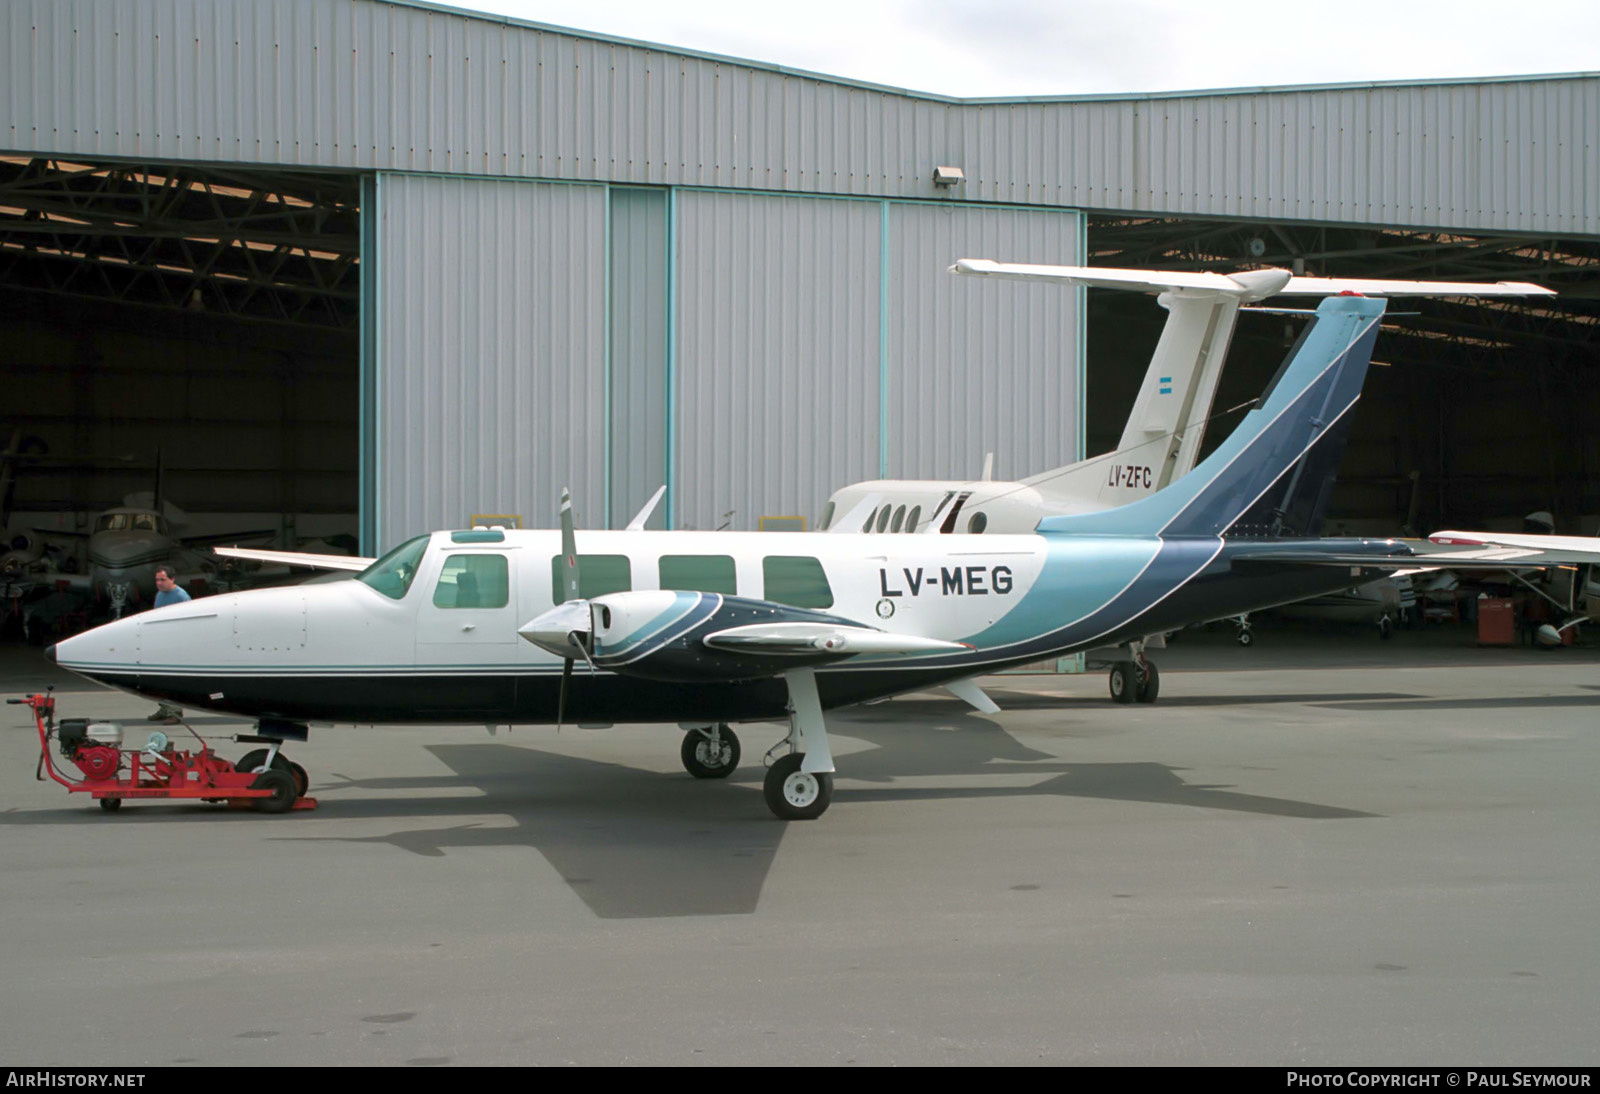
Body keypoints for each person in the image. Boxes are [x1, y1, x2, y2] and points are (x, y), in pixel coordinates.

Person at [148, 566, 190, 723]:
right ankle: (164, 708)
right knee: (160, 678)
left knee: (173, 678)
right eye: (157, 580)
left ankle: (175, 713)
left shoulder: (181, 596)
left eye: (162, 579)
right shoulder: (160, 594)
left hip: (175, 644)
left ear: (172, 579)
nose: (159, 583)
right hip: (162, 642)